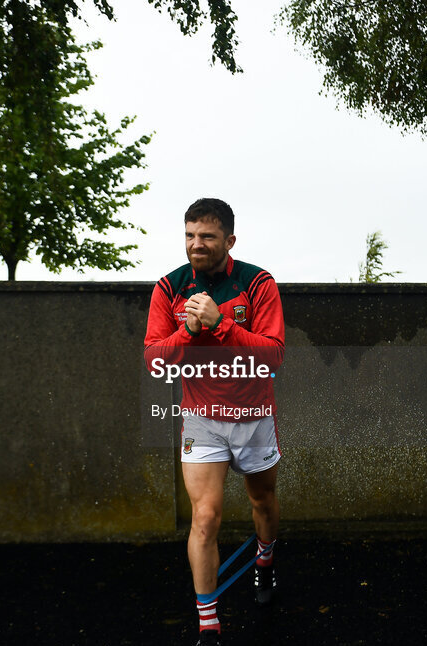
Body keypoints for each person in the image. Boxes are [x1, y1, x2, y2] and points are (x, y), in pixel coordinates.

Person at [144, 198, 285, 646]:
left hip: (253, 416)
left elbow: (272, 356)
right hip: (202, 419)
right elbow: (153, 360)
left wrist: (220, 323)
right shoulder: (169, 288)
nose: (195, 245)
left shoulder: (257, 283)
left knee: (262, 503)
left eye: (206, 236)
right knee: (204, 518)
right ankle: (209, 624)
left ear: (229, 239)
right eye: (189, 235)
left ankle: (264, 562)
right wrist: (186, 331)